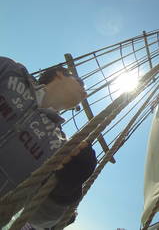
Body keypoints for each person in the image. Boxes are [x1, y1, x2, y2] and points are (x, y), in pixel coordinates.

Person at [0, 56, 97, 228]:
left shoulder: (60, 148)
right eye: (81, 84)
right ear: (60, 74)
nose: (86, 92)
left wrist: (66, 188)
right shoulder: (9, 71)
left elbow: (40, 219)